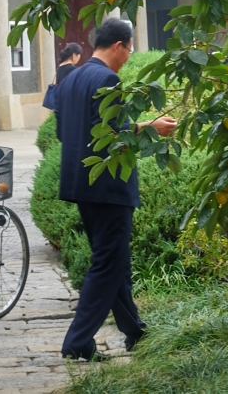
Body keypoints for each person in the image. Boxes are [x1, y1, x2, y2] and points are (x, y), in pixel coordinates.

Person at [58, 19, 177, 361]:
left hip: (81, 183)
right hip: (108, 186)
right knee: (107, 265)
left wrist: (138, 126)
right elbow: (114, 136)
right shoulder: (108, 79)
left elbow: (71, 134)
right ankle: (78, 341)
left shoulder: (72, 78)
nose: (129, 56)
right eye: (129, 49)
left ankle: (135, 332)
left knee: (115, 263)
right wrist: (150, 128)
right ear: (119, 46)